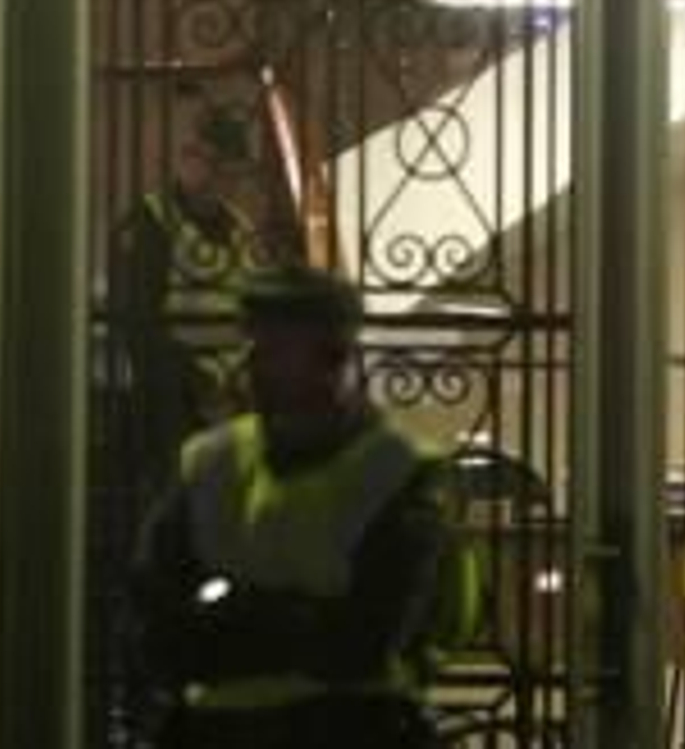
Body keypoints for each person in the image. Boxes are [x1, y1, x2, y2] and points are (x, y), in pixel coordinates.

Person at [131, 265, 446, 749]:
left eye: (276, 347)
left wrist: (226, 617)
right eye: (252, 342)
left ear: (332, 358)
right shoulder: (211, 461)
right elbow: (155, 628)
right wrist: (298, 617)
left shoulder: (396, 470)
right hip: (212, 734)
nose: (251, 360)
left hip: (349, 732)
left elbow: (364, 644)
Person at [112, 93, 262, 485]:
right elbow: (138, 322)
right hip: (172, 402)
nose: (223, 182)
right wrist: (198, 385)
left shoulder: (240, 228)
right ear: (188, 159)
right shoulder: (149, 223)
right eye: (214, 166)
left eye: (232, 173)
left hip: (237, 400)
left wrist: (237, 385)